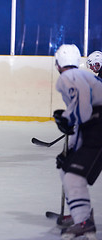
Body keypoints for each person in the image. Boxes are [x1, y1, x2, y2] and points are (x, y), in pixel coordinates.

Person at [53, 44, 102, 239]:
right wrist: (68, 118)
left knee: (72, 175)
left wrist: (67, 119)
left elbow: (84, 110)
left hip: (97, 128)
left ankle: (83, 221)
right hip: (95, 128)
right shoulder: (86, 76)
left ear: (58, 63)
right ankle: (80, 216)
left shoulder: (67, 77)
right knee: (67, 169)